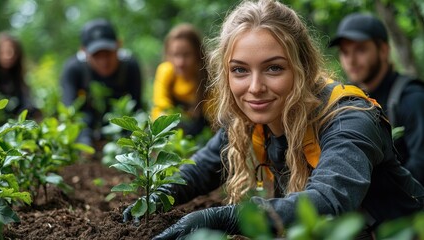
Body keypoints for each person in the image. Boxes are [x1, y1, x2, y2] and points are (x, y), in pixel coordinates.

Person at [124, 0, 424, 239]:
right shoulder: (251, 118)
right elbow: (202, 169)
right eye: (240, 70)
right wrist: (158, 196)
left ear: (302, 67)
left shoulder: (347, 118)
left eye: (274, 68)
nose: (254, 88)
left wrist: (223, 217)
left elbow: (328, 201)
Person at [328, 13, 424, 186]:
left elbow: (420, 168)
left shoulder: (412, 98)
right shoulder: (347, 102)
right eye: (345, 52)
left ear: (384, 50)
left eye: (361, 49)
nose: (351, 60)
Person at [60, 18, 143, 146]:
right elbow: (70, 111)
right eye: (97, 55)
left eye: (108, 53)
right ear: (83, 51)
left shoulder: (130, 66)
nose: (104, 62)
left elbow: (137, 107)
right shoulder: (74, 69)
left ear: (119, 45)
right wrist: (83, 140)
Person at [151, 23, 209, 136]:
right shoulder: (166, 71)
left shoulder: (208, 77)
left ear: (198, 54)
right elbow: (160, 106)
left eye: (186, 55)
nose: (180, 63)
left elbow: (215, 118)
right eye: (175, 55)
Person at [0, 32, 33, 122]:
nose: (9, 56)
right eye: (4, 52)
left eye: (13, 52)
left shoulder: (18, 77)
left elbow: (26, 102)